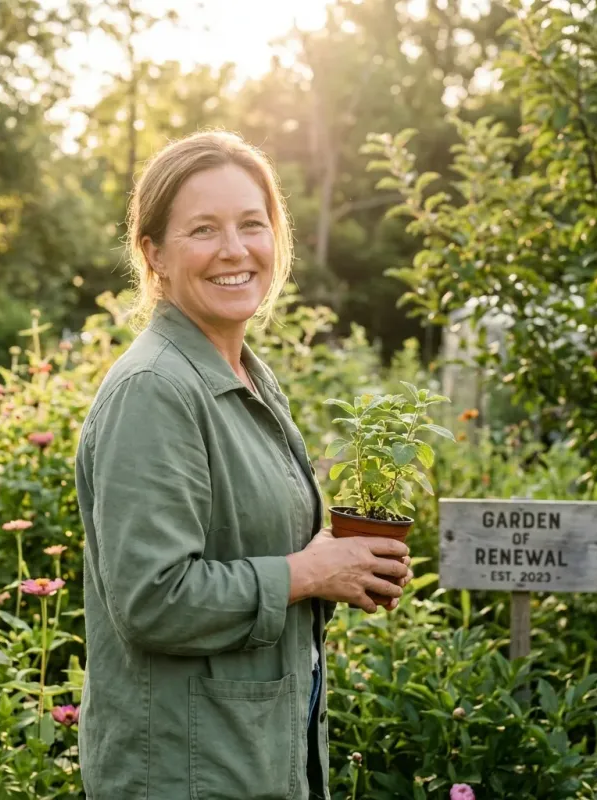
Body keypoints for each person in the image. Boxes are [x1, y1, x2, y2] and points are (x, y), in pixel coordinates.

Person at [74, 130, 413, 800]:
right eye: (203, 229)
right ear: (154, 254)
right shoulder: (157, 390)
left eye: (251, 224)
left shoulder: (247, 376)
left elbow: (258, 554)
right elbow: (153, 600)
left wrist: (338, 569)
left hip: (252, 758)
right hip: (184, 771)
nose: (234, 250)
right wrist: (308, 571)